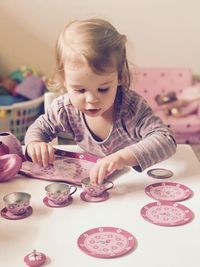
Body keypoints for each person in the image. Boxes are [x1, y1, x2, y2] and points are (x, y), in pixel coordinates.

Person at [25, 17, 177, 184]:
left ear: (119, 76)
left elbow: (166, 140)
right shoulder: (65, 109)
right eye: (80, 90)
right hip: (92, 184)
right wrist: (35, 143)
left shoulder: (131, 108)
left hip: (133, 181)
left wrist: (121, 158)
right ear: (64, 80)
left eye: (103, 89)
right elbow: (39, 128)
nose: (91, 100)